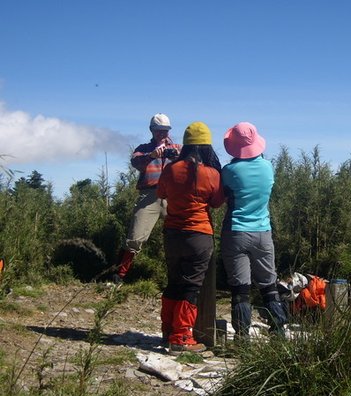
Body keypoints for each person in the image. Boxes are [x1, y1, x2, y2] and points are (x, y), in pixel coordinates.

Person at [157, 121, 224, 354]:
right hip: (199, 235)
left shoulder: (170, 169)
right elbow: (216, 203)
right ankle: (181, 338)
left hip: (172, 234)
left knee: (174, 282)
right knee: (191, 287)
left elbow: (162, 193)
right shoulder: (212, 174)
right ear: (207, 147)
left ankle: (167, 331)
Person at [221, 122, 288, 339]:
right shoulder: (268, 167)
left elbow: (221, 195)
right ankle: (278, 332)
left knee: (241, 290)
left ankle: (242, 339)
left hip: (237, 232)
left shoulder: (229, 171)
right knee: (269, 286)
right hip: (263, 232)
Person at [112, 113, 182, 284]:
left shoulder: (178, 148)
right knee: (135, 237)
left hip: (173, 195)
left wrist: (178, 156)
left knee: (180, 236)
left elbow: (192, 166)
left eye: (165, 131)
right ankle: (118, 276)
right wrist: (151, 155)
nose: (162, 134)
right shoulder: (143, 149)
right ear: (151, 130)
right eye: (159, 131)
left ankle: (179, 278)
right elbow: (136, 163)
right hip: (149, 195)